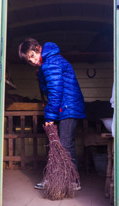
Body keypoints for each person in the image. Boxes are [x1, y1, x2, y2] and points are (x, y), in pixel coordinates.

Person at [18, 38, 86, 190]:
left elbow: (55, 92)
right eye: (30, 60)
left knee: (65, 143)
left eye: (33, 56)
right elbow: (48, 90)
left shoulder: (51, 63)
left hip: (68, 107)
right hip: (66, 106)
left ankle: (72, 180)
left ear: (38, 48)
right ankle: (56, 178)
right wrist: (41, 75)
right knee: (61, 143)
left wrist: (49, 116)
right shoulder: (48, 63)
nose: (33, 61)